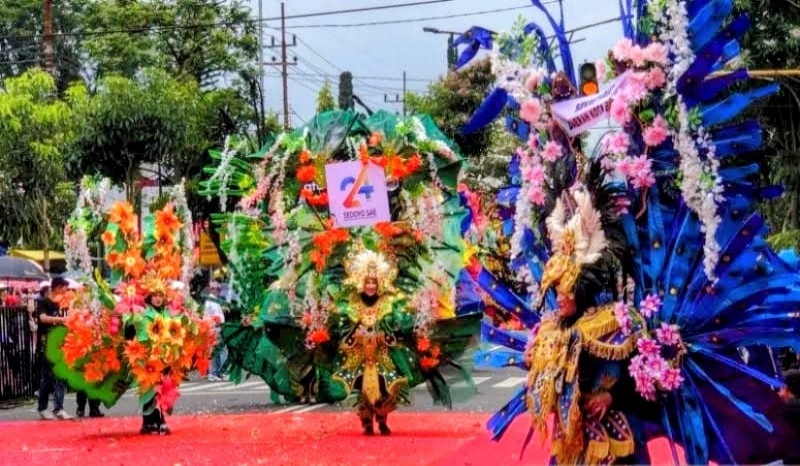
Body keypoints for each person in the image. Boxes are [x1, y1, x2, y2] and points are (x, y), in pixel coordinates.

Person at [327, 251, 411, 436]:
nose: (371, 286)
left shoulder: (387, 304)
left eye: (374, 282)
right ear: (361, 284)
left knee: (384, 388)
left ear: (379, 283)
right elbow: (343, 331)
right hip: (359, 356)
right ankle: (366, 422)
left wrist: (384, 336)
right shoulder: (353, 304)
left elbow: (394, 330)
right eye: (367, 282)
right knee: (361, 390)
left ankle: (382, 421)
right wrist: (356, 336)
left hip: (381, 355)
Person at [35, 277, 71, 420]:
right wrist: (61, 320)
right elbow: (43, 318)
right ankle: (43, 408)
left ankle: (58, 408)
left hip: (58, 345)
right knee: (47, 378)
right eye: (64, 288)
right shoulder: (43, 302)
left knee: (59, 376)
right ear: (57, 287)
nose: (65, 291)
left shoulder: (59, 304)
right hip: (46, 346)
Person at [204, 282, 227, 381]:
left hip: (217, 328)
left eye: (219, 289)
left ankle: (216, 373)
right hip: (214, 328)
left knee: (217, 352)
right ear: (212, 289)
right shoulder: (211, 300)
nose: (219, 291)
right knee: (221, 351)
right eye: (217, 289)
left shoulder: (214, 300)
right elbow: (213, 316)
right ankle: (216, 372)